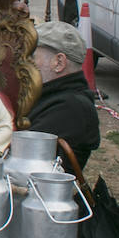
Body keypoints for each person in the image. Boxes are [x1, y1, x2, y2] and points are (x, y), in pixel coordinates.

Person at [29, 21, 101, 170]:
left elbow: (21, 152)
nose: (27, 63)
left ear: (59, 62)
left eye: (33, 57)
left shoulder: (70, 108)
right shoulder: (53, 95)